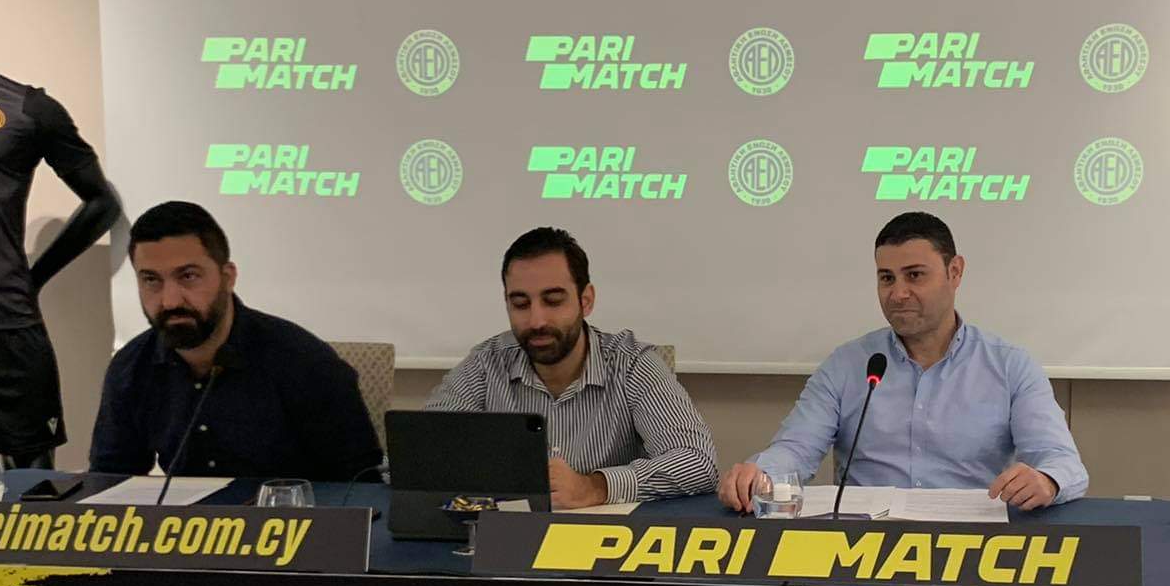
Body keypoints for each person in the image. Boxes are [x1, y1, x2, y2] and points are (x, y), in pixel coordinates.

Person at [720, 212, 1087, 513]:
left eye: (915, 275)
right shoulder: (848, 365)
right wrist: (761, 475)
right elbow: (796, 449)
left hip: (971, 548)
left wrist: (1046, 481)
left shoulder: (1009, 366)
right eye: (886, 278)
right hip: (863, 549)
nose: (898, 293)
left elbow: (1061, 461)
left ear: (955, 272)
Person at [89, 201, 382, 483]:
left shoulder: (306, 363)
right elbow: (109, 481)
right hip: (185, 518)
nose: (170, 300)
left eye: (188, 276)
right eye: (151, 280)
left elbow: (359, 487)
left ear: (228, 277)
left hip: (291, 516)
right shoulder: (131, 368)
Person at [425, 227, 718, 506]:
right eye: (521, 304)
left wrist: (595, 487)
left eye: (553, 301)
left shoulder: (632, 364)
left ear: (586, 301)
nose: (537, 321)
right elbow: (420, 455)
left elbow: (698, 463)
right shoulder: (485, 364)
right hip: (511, 534)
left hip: (605, 537)